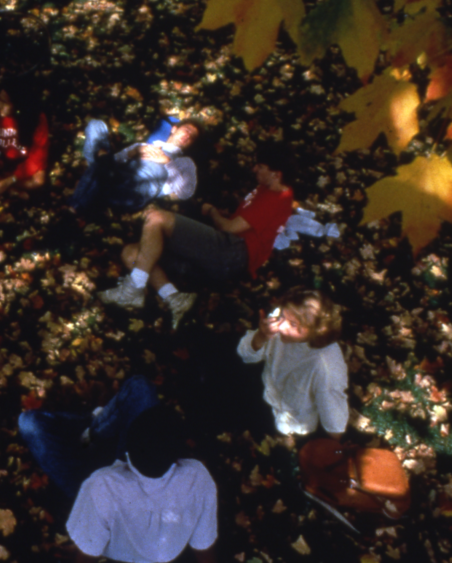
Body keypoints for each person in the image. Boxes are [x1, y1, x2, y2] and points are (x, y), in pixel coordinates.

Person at [97, 141, 295, 329]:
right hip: (225, 251)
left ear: (276, 174)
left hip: (234, 253)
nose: (255, 170)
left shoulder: (277, 197)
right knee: (132, 253)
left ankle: (133, 289)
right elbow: (245, 221)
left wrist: (212, 212)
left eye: (260, 167)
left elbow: (230, 228)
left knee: (157, 218)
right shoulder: (266, 188)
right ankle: (175, 298)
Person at [66, 407, 218, 563]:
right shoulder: (198, 478)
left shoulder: (101, 486)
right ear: (176, 458)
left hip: (109, 478)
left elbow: (87, 552)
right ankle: (96, 423)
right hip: (131, 470)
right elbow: (203, 544)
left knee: (138, 387)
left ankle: (94, 425)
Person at [18, 376, 160, 500]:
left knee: (29, 423)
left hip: (84, 482)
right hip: (126, 459)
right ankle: (94, 425)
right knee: (141, 387)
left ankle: (94, 427)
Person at [238, 288, 348, 438]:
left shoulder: (326, 366)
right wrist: (261, 336)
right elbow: (246, 355)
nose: (281, 326)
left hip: (295, 425)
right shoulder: (278, 322)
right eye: (282, 316)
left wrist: (333, 451)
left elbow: (334, 422)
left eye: (294, 324)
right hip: (265, 395)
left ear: (318, 331)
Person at [70, 118, 203, 215]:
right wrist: (132, 152)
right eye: (186, 130)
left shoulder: (186, 162)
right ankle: (95, 178)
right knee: (96, 125)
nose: (187, 136)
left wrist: (168, 162)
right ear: (174, 129)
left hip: (136, 190)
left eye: (192, 137)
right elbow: (115, 160)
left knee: (101, 168)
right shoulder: (145, 145)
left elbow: (186, 193)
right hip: (117, 174)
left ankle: (75, 207)